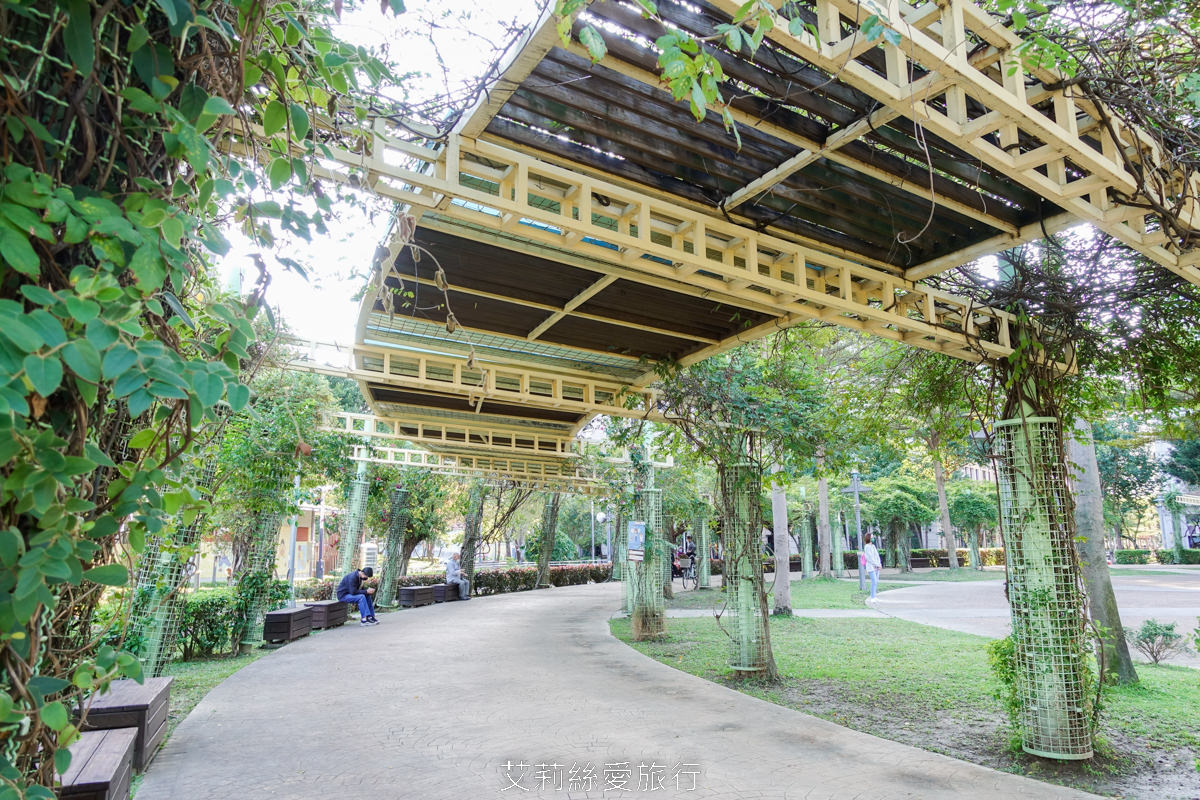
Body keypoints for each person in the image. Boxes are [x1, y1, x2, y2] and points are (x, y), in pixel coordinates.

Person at [863, 532, 882, 601]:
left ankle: (874, 596)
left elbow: (876, 556)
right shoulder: (867, 547)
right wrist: (876, 564)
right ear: (869, 538)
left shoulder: (873, 546)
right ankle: (872, 597)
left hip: (876, 567)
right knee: (874, 581)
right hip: (871, 567)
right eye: (872, 537)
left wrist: (879, 564)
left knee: (876, 581)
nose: (873, 538)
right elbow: (869, 558)